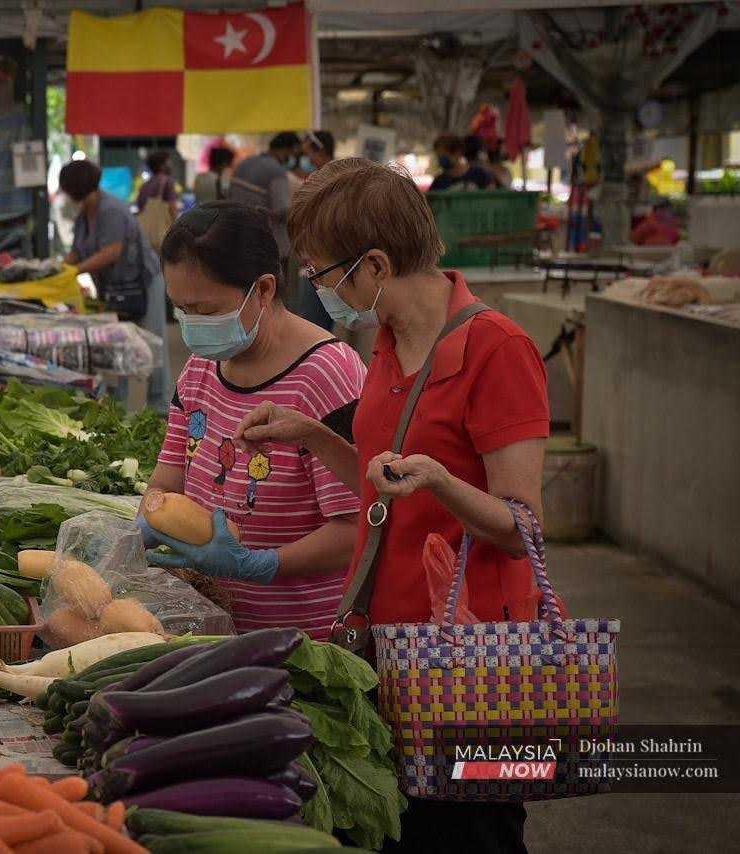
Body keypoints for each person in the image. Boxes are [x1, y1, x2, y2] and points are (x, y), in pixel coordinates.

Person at [228, 157, 550, 852]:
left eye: (320, 274)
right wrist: (312, 435)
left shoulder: (499, 350)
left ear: (373, 265)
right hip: (385, 647)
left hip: (472, 661)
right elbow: (383, 489)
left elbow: (522, 528)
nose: (316, 291)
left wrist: (438, 480)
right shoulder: (387, 342)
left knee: (475, 834)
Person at [138, 202, 366, 637]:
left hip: (303, 644)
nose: (191, 325)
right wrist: (146, 522)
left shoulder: (328, 376)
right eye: (181, 310)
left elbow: (357, 527)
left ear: (262, 289)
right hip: (213, 633)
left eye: (205, 311)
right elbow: (168, 481)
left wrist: (262, 565)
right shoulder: (200, 369)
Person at [60, 158, 169, 411]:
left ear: (79, 190)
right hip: (116, 289)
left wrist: (74, 271)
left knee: (152, 347)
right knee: (118, 347)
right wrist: (58, 271)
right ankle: (118, 407)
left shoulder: (111, 210)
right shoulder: (84, 215)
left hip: (143, 283)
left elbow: (112, 251)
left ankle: (161, 408)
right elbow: (78, 250)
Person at [227, 131, 302, 256]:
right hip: (266, 243)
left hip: (238, 236)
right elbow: (281, 209)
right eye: (293, 154)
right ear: (286, 150)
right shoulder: (276, 171)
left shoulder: (244, 163)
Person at [428, 135, 494, 192]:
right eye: (438, 156)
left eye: (443, 155)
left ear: (457, 152)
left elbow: (490, 196)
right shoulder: (439, 181)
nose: (440, 159)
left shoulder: (479, 174)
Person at [136, 150, 180, 215]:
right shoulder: (167, 181)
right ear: (161, 166)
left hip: (147, 223)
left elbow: (140, 207)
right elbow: (172, 208)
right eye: (168, 162)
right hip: (163, 223)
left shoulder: (144, 186)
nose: (171, 165)